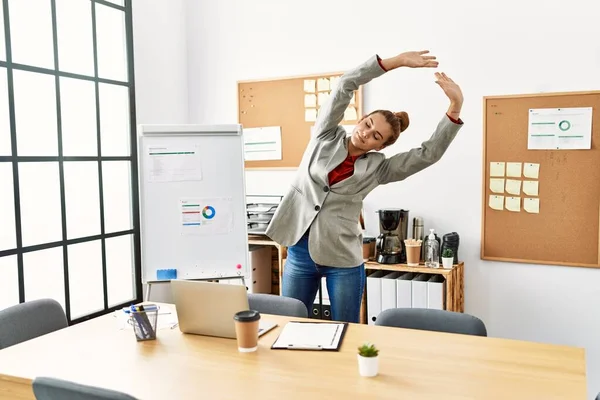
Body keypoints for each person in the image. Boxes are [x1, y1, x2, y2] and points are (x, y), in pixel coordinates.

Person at [265, 50, 464, 323]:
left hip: (343, 259)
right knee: (291, 324)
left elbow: (427, 154)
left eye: (376, 136)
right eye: (367, 124)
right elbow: (346, 83)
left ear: (380, 146)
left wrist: (455, 106)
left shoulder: (378, 168)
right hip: (299, 250)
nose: (366, 133)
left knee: (346, 330)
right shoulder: (325, 135)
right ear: (360, 118)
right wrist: (397, 62)